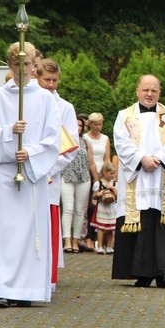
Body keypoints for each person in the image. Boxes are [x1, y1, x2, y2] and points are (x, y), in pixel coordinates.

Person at [0, 41, 60, 308]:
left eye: (27, 64)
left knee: (30, 233)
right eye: (17, 64)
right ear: (9, 65)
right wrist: (8, 132)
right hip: (5, 174)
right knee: (4, 233)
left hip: (31, 176)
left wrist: (31, 153)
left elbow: (53, 140)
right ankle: (1, 287)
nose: (23, 69)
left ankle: (28, 289)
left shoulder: (46, 99)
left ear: (34, 65)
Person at [111, 74, 165, 288]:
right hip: (138, 176)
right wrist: (141, 159)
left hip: (162, 175)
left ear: (159, 92)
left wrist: (159, 159)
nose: (149, 93)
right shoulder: (124, 116)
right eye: (145, 89)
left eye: (154, 90)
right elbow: (122, 142)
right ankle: (141, 272)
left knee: (161, 219)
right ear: (137, 91)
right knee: (141, 219)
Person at [37, 58, 79, 286]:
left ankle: (47, 280)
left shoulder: (65, 108)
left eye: (54, 80)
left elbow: (71, 146)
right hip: (28, 173)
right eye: (47, 80)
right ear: (37, 77)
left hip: (50, 176)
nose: (51, 84)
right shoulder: (28, 103)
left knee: (48, 227)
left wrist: (48, 169)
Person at [61, 114, 96, 253]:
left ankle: (76, 240)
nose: (78, 128)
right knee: (68, 208)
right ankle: (67, 239)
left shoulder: (86, 142)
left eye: (81, 125)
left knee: (80, 209)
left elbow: (91, 162)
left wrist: (97, 179)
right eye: (76, 125)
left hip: (84, 177)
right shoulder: (64, 139)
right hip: (67, 176)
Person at [82, 112, 111, 251]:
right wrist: (96, 178)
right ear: (90, 124)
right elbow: (90, 159)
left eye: (100, 124)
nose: (98, 127)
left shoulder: (105, 138)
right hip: (89, 173)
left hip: (103, 174)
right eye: (95, 124)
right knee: (90, 206)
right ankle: (88, 237)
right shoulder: (85, 138)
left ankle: (99, 240)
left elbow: (107, 159)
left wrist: (107, 178)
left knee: (101, 207)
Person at [91, 161, 118, 254]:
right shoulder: (99, 184)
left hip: (112, 208)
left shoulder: (115, 184)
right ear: (105, 172)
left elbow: (118, 196)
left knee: (111, 228)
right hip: (102, 207)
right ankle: (100, 246)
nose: (113, 176)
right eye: (111, 173)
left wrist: (113, 189)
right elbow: (93, 196)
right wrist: (98, 194)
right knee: (101, 228)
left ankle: (109, 246)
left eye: (114, 173)